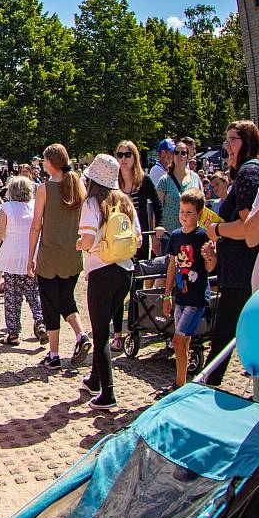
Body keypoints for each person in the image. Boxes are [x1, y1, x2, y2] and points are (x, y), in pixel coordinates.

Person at [77, 154, 142, 410]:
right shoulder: (125, 201)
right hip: (125, 271)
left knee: (100, 334)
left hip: (101, 271)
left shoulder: (92, 203)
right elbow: (138, 238)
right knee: (104, 326)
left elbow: (87, 240)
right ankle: (94, 380)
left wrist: (81, 245)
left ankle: (108, 393)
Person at [204, 121, 259, 385]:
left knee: (223, 336)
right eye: (226, 139)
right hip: (244, 271)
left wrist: (216, 229)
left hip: (243, 274)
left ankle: (205, 388)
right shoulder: (251, 172)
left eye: (233, 139)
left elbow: (247, 227)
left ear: (247, 143)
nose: (227, 146)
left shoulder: (248, 173)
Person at [28, 143, 91, 370]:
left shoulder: (44, 188)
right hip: (72, 254)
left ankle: (54, 354)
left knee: (50, 304)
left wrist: (30, 256)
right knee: (66, 299)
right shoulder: (78, 185)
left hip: (50, 254)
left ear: (50, 162)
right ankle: (81, 335)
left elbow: (36, 226)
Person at [158, 189, 215, 398]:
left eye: (189, 212)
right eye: (182, 211)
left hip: (196, 296)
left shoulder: (203, 236)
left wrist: (210, 257)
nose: (184, 216)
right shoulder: (175, 236)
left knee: (177, 340)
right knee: (184, 340)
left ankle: (179, 384)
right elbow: (172, 266)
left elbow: (210, 268)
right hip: (180, 295)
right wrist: (167, 294)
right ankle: (182, 381)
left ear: (199, 213)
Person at [110, 140, 161, 352]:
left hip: (138, 239)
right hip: (117, 241)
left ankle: (133, 328)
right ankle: (118, 334)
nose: (123, 159)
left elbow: (157, 205)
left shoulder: (143, 181)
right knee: (117, 287)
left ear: (134, 157)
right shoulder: (113, 182)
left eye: (127, 155)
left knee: (136, 285)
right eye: (120, 155)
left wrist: (159, 227)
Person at [0, 176, 45, 346]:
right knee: (34, 294)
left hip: (12, 256)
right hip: (32, 255)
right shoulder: (35, 206)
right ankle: (40, 323)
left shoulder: (7, 207)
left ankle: (13, 334)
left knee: (12, 297)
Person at [156, 137, 203, 237]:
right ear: (173, 156)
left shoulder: (195, 178)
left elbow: (202, 204)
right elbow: (157, 209)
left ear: (187, 157)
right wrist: (156, 236)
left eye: (183, 153)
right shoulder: (165, 180)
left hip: (192, 234)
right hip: (169, 235)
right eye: (176, 152)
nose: (179, 155)